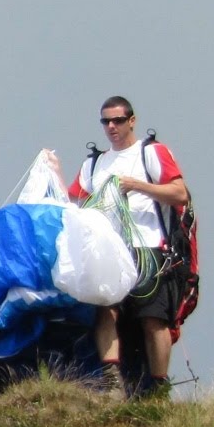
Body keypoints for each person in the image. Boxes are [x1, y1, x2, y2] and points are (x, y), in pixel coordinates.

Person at [67, 95, 189, 398]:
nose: (111, 126)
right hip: (109, 251)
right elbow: (73, 201)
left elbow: (179, 193)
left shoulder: (151, 153)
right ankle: (112, 383)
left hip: (149, 248)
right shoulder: (94, 164)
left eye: (118, 120)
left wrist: (137, 186)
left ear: (132, 121)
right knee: (106, 311)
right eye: (106, 121)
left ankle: (157, 388)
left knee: (153, 319)